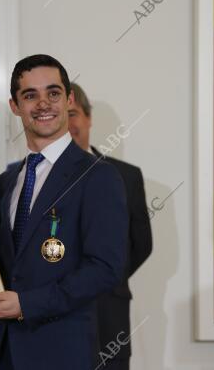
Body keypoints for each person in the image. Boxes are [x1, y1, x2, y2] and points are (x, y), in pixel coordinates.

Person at [0, 54, 128, 370]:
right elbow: (10, 263)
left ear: (68, 99)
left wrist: (26, 304)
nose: (43, 104)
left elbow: (105, 269)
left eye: (53, 93)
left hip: (61, 352)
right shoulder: (8, 180)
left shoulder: (98, 177)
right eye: (30, 95)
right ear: (15, 106)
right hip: (2, 351)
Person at [68, 83, 152, 369]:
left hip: (109, 315)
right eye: (60, 115)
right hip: (50, 320)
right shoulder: (33, 177)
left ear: (88, 118)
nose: (68, 124)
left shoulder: (127, 176)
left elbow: (141, 244)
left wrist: (101, 276)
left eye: (73, 114)